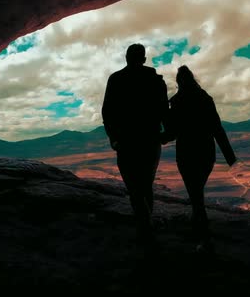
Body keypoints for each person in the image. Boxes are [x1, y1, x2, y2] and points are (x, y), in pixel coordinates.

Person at [162, 65, 237, 252]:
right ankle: (200, 232)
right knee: (197, 192)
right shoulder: (206, 99)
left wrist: (156, 137)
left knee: (195, 193)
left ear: (178, 82)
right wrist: (230, 157)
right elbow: (217, 128)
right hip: (206, 153)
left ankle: (203, 236)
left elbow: (171, 133)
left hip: (186, 153)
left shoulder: (177, 102)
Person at [101, 44, 169, 246]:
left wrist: (113, 138)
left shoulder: (116, 79)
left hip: (126, 141)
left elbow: (107, 112)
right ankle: (146, 226)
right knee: (146, 184)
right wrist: (167, 133)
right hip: (150, 140)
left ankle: (144, 227)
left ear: (126, 58)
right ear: (144, 59)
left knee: (134, 186)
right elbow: (164, 110)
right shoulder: (156, 81)